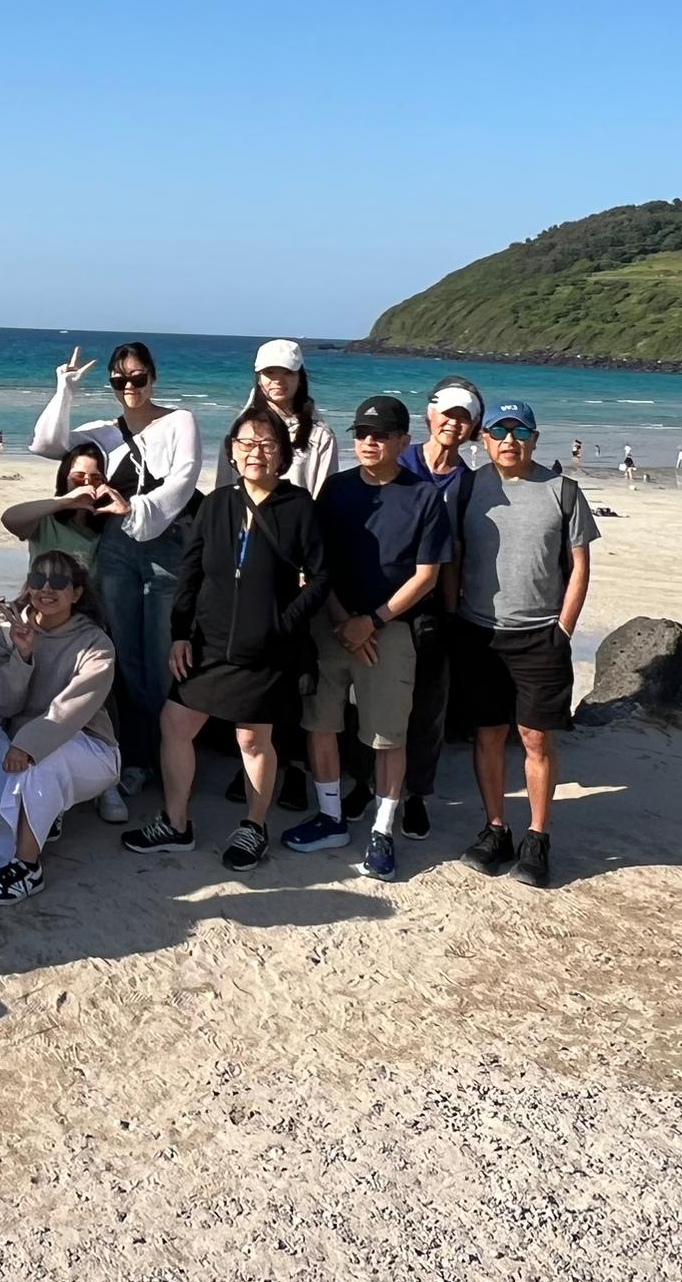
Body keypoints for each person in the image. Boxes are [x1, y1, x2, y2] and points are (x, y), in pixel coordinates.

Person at [122, 405, 327, 872]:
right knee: (175, 724)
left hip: (266, 649)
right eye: (246, 443)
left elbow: (320, 578)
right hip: (208, 645)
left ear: (283, 454)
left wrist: (283, 624)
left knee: (253, 741)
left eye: (267, 444)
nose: (256, 452)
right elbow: (189, 574)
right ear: (232, 451)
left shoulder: (299, 509)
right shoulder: (216, 504)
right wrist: (179, 635)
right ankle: (176, 824)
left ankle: (254, 827)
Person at [282, 396, 450, 879]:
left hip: (390, 628)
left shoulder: (423, 497)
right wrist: (340, 619)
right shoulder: (334, 490)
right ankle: (331, 817)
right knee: (320, 722)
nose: (368, 442)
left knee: (387, 733)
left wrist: (370, 622)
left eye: (379, 435)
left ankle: (381, 830)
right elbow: (318, 564)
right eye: (360, 434)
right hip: (331, 623)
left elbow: (427, 577)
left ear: (403, 441)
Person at [32, 342, 200, 810]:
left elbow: (184, 478)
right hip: (119, 549)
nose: (130, 388)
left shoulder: (179, 420)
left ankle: (169, 754)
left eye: (138, 378)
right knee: (125, 657)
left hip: (168, 546)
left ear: (153, 376)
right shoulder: (104, 432)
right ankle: (136, 761)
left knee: (162, 659)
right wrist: (65, 388)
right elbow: (47, 443)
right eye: (119, 381)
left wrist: (139, 508)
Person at [450, 401, 596, 890]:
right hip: (479, 632)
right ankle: (496, 829)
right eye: (499, 431)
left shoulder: (563, 491)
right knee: (488, 735)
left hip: (540, 635)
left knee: (535, 738)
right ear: (484, 439)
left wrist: (564, 630)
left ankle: (537, 837)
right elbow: (452, 556)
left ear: (534, 439)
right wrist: (452, 614)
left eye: (519, 432)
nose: (508, 440)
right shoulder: (469, 487)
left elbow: (579, 567)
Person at [0, 551, 119, 904]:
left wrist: (30, 744)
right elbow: (1, 705)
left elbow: (73, 709)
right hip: (17, 740)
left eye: (59, 581)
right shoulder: (7, 633)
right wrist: (23, 656)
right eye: (38, 579)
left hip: (86, 745)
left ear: (76, 593)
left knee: (42, 766)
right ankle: (46, 817)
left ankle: (27, 868)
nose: (46, 589)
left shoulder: (96, 643)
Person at [389, 379, 482, 841]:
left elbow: (459, 552)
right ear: (428, 415)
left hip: (433, 607)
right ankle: (370, 786)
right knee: (374, 700)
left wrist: (452, 612)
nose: (453, 422)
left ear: (472, 428)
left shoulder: (468, 484)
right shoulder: (397, 461)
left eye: (463, 416)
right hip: (383, 599)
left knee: (427, 705)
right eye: (447, 412)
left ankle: (417, 795)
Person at [234, 340, 337, 497]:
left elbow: (325, 496)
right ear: (259, 378)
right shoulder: (242, 430)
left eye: (288, 372)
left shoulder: (319, 435)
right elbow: (226, 485)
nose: (278, 380)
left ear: (300, 378)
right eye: (270, 372)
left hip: (298, 519)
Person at [0, 442, 113, 576]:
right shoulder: (47, 521)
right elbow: (9, 518)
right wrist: (64, 502)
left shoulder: (108, 526)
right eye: (78, 478)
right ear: (65, 478)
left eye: (96, 479)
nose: (86, 485)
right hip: (45, 593)